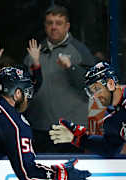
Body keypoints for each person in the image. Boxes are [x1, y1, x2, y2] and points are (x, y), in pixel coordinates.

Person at [23, 4, 96, 153]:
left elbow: (92, 87)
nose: (54, 27)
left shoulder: (79, 50)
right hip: (39, 128)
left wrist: (71, 68)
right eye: (50, 23)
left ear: (67, 26)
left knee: (70, 173)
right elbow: (23, 91)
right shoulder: (35, 51)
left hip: (70, 130)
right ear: (45, 26)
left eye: (59, 23)